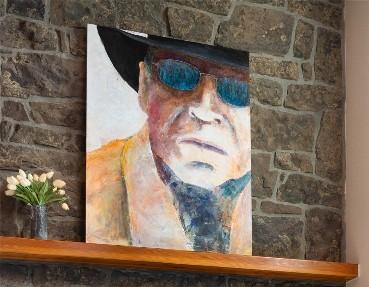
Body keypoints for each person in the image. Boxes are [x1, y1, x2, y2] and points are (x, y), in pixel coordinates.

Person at [86, 26, 252, 253]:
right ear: (145, 85)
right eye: (178, 75)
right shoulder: (92, 184)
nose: (203, 110)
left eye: (238, 90)